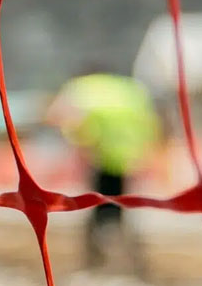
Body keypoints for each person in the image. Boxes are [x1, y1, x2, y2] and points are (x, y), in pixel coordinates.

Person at [48, 70, 161, 272]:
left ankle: (98, 259)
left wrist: (80, 143)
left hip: (100, 157)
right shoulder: (129, 90)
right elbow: (150, 121)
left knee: (98, 207)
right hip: (129, 157)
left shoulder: (83, 88)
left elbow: (63, 117)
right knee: (121, 207)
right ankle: (128, 259)